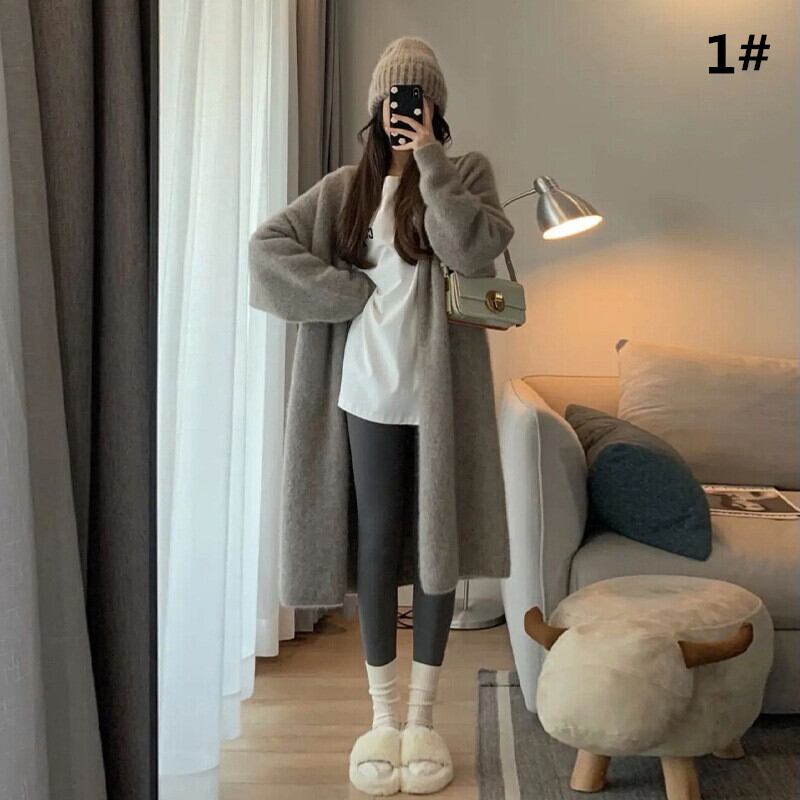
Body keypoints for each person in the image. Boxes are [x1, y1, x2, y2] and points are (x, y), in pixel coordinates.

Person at [248, 36, 515, 796]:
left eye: (419, 99)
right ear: (376, 106)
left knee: (436, 549)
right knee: (377, 545)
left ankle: (424, 717)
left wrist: (429, 158)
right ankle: (383, 717)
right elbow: (266, 250)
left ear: (436, 107)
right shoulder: (344, 190)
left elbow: (471, 252)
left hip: (438, 397)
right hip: (364, 394)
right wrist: (346, 292)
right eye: (397, 99)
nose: (406, 110)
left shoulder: (464, 174)